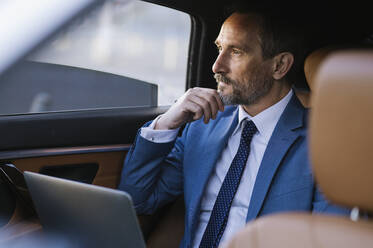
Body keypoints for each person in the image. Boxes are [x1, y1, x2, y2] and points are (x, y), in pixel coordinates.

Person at [119, 7, 348, 248]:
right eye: (220, 48)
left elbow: (331, 239)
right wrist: (166, 123)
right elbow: (137, 200)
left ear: (280, 65)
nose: (217, 66)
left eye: (236, 52)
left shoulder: (323, 142)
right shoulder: (203, 125)